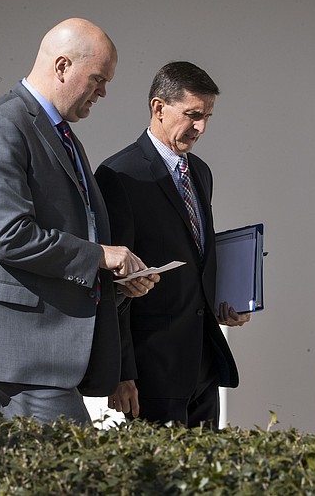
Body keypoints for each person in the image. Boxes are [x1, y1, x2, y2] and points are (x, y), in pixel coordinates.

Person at [0, 18, 158, 425]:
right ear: (61, 66)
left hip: (47, 349)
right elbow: (9, 235)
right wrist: (100, 257)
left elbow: (75, 233)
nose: (104, 91)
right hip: (23, 349)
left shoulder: (59, 134)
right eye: (98, 79)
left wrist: (116, 282)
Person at [94, 61, 251, 428]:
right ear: (159, 108)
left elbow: (195, 258)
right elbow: (113, 284)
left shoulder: (200, 172)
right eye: (193, 115)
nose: (201, 127)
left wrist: (223, 301)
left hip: (204, 363)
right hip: (152, 371)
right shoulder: (118, 175)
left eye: (208, 116)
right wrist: (120, 371)